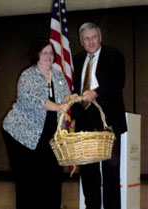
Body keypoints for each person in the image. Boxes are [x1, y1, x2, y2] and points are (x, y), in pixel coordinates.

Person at [3, 39, 79, 209]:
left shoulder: (58, 76)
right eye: (44, 52)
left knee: (52, 177)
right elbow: (35, 100)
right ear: (36, 55)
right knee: (28, 181)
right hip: (22, 135)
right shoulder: (28, 75)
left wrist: (73, 98)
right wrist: (58, 106)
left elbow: (65, 97)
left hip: (49, 135)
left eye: (51, 53)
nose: (48, 56)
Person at [72, 22, 127, 209]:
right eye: (86, 38)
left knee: (111, 172)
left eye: (94, 37)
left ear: (100, 38)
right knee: (88, 172)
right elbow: (75, 90)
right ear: (81, 42)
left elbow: (118, 82)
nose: (91, 41)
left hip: (108, 122)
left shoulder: (114, 56)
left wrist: (96, 92)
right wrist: (73, 116)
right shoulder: (77, 60)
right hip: (85, 123)